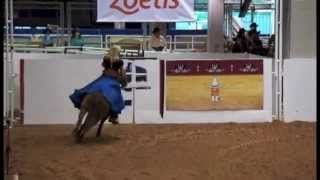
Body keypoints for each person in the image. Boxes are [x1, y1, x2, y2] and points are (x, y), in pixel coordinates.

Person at [69, 46, 127, 124]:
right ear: (117, 51)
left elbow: (103, 65)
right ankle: (114, 116)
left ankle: (82, 104)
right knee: (116, 96)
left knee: (90, 87)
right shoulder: (119, 61)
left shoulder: (106, 58)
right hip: (112, 80)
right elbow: (122, 73)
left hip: (103, 77)